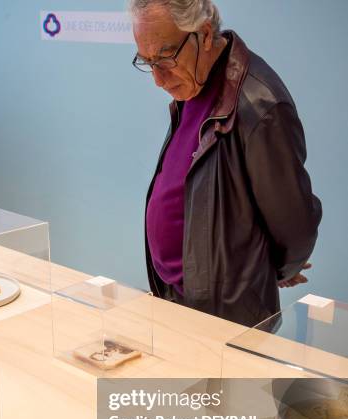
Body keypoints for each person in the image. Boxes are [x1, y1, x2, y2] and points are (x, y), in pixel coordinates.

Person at [130, 0, 322, 327]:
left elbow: (295, 226)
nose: (158, 80)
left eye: (165, 59)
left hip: (225, 318)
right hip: (176, 298)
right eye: (147, 62)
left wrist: (266, 268)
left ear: (204, 34)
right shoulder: (194, 83)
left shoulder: (259, 104)